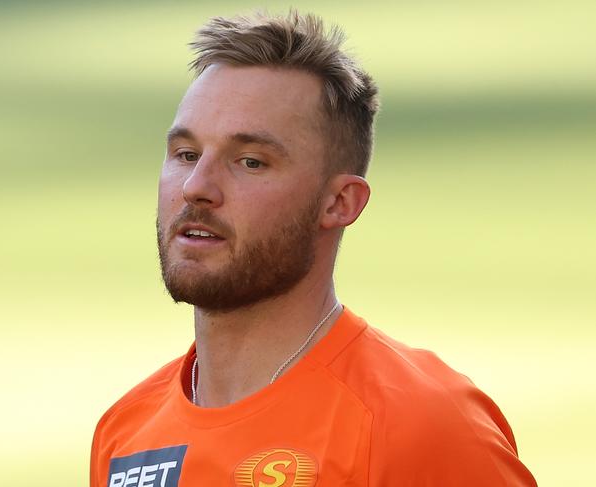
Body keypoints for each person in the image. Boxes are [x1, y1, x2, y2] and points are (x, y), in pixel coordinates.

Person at [90, 11, 537, 487]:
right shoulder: (127, 434)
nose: (197, 187)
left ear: (339, 202)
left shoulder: (419, 422)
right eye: (186, 154)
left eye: (250, 161)